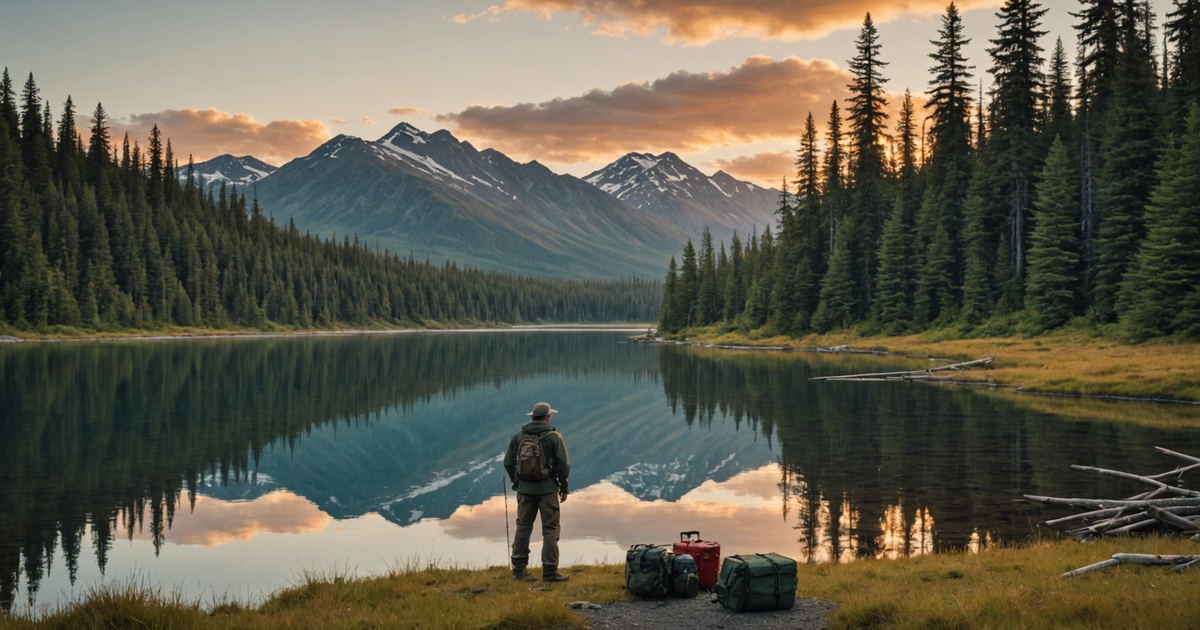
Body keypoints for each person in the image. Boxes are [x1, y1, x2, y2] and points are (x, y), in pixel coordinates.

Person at [504, 401, 571, 582]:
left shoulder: (518, 436)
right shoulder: (554, 437)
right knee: (550, 530)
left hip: (525, 491)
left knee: (523, 527)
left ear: (532, 417)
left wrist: (517, 482)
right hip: (548, 490)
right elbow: (563, 465)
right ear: (547, 417)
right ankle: (549, 571)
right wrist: (564, 488)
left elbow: (508, 463)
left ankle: (518, 570)